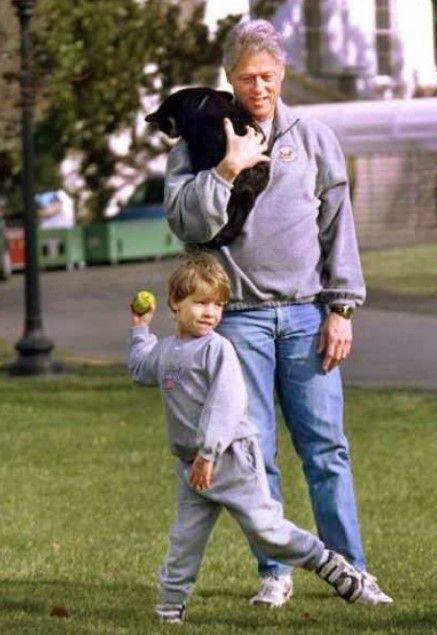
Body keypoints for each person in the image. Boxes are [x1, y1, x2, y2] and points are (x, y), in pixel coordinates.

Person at [162, 19, 392, 607]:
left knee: (327, 449)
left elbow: (338, 229)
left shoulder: (314, 137)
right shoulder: (197, 142)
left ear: (282, 73)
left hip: (308, 317)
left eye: (266, 76)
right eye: (246, 79)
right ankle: (275, 571)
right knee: (253, 451)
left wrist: (341, 309)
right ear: (229, 79)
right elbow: (186, 224)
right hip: (235, 320)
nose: (257, 88)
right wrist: (227, 168)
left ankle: (352, 570)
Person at [128, 253, 370, 624]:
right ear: (176, 303)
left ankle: (327, 562)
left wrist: (209, 454)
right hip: (193, 467)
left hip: (229, 458)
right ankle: (169, 608)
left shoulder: (218, 349)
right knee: (184, 541)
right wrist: (140, 329)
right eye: (201, 302)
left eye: (219, 305)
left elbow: (226, 404)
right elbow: (141, 368)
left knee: (268, 532)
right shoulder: (166, 351)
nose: (211, 313)